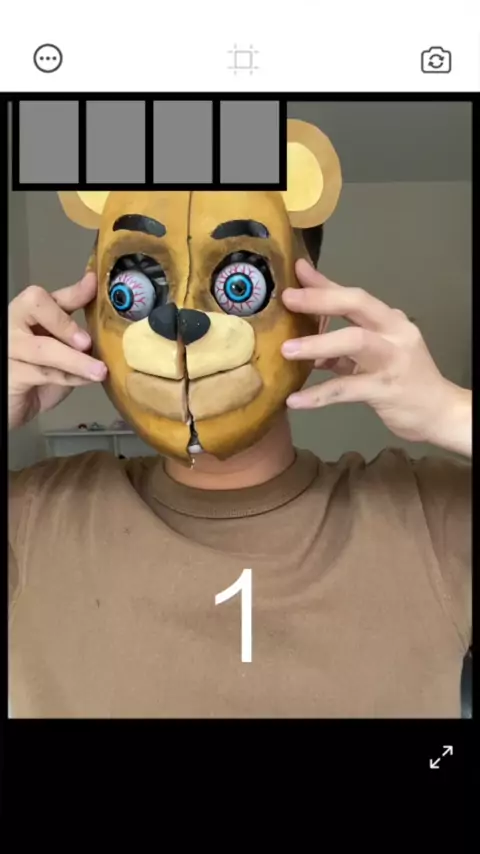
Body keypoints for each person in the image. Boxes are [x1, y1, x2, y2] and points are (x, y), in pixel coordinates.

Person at [8, 258, 471, 718]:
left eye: (241, 286)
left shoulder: (430, 518)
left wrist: (451, 412)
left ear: (314, 320)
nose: (180, 322)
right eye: (132, 291)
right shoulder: (34, 517)